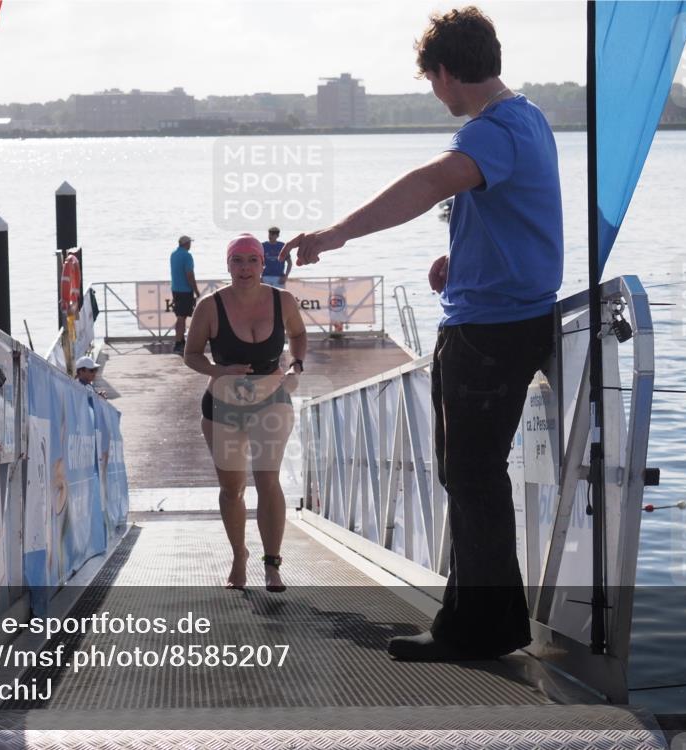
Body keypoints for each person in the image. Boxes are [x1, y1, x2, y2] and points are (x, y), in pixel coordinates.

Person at [280, 6, 562, 661]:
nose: (435, 93)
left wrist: (335, 233)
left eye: (431, 79)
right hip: (503, 317)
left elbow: (427, 183)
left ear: (445, 72)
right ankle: (472, 619)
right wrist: (459, 259)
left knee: (473, 475)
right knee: (469, 475)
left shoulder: (492, 130)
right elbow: (506, 215)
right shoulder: (528, 117)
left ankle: (484, 628)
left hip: (490, 331)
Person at [184, 234, 308, 593]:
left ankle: (273, 565)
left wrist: (296, 367)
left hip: (272, 400)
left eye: (252, 260)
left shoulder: (281, 300)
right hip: (223, 406)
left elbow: (299, 335)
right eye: (237, 261)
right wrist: (217, 371)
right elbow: (191, 355)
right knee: (232, 488)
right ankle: (239, 556)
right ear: (227, 265)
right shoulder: (210, 306)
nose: (245, 268)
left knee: (268, 481)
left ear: (263, 264)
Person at [170, 235, 200, 354]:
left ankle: (181, 340)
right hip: (185, 290)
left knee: (180, 317)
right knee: (182, 318)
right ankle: (178, 343)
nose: (190, 245)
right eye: (189, 243)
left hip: (175, 289)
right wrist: (196, 290)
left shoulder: (174, 254)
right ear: (186, 244)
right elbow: (189, 275)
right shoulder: (187, 256)